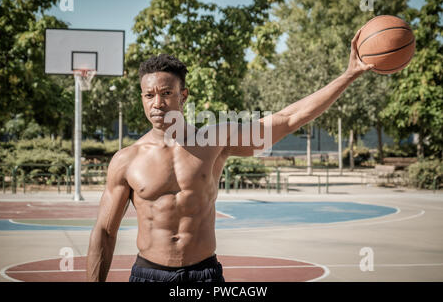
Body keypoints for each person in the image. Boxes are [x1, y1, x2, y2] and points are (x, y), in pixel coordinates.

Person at [86, 30, 374, 282]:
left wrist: (348, 75)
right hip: (149, 274)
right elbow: (104, 232)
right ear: (142, 98)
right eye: (149, 95)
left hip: (204, 275)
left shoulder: (215, 140)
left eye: (166, 93)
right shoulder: (126, 160)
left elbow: (288, 118)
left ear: (183, 95)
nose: (157, 103)